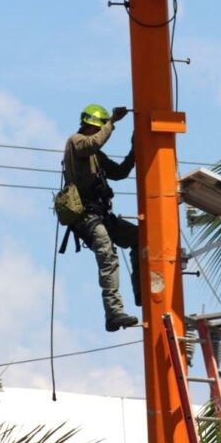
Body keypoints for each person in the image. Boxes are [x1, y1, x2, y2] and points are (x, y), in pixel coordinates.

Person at [63, 103, 142, 332]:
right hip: (86, 217)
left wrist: (134, 151)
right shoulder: (76, 142)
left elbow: (118, 173)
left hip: (101, 215)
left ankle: (142, 293)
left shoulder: (95, 154)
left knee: (139, 237)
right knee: (107, 254)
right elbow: (94, 142)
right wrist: (113, 123)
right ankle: (114, 312)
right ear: (91, 125)